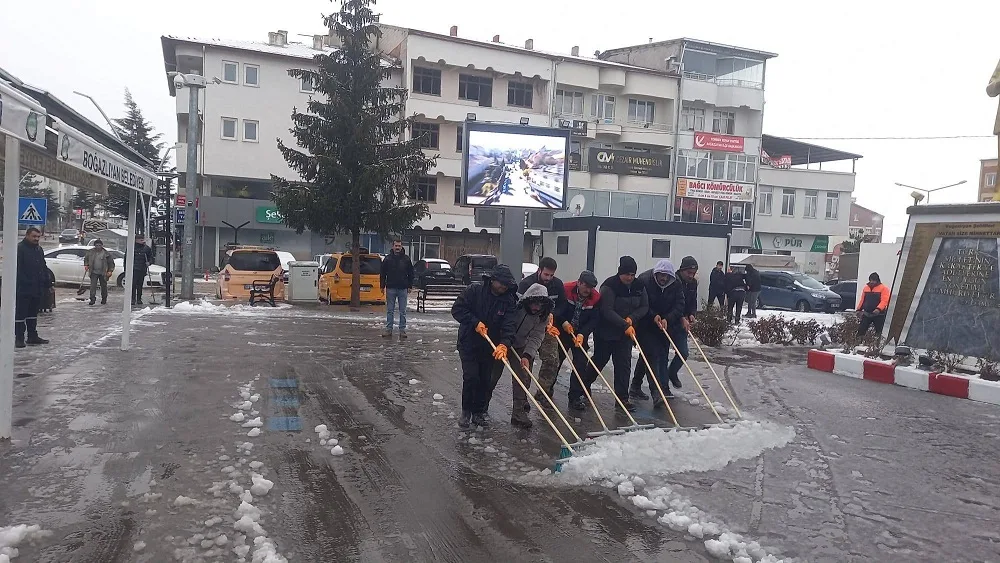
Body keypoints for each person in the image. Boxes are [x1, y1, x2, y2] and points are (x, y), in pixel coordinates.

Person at [451, 264, 518, 429]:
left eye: (506, 284)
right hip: (469, 342)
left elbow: (510, 325)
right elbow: (457, 309)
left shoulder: (508, 300)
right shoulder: (474, 291)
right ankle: (466, 411)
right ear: (492, 280)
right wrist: (475, 322)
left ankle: (479, 412)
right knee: (471, 376)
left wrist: (504, 344)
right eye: (501, 283)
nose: (503, 286)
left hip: (490, 346)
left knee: (485, 380)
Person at [485, 283, 554, 429]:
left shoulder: (543, 316)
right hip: (502, 343)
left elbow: (536, 336)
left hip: (521, 345)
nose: (536, 307)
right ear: (528, 300)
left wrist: (527, 355)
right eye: (534, 303)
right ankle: (481, 408)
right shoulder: (515, 307)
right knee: (491, 376)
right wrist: (503, 342)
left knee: (522, 378)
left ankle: (518, 413)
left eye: (540, 304)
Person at [591, 256, 648, 413]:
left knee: (623, 364)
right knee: (599, 360)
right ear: (620, 272)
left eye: (632, 274)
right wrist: (624, 324)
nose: (629, 278)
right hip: (606, 331)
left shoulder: (639, 286)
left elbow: (644, 306)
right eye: (626, 274)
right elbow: (607, 310)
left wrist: (632, 318)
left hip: (626, 334)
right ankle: (582, 388)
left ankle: (622, 398)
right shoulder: (610, 286)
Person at [630, 259, 685, 407]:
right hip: (645, 323)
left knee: (648, 355)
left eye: (667, 276)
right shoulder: (644, 280)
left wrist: (668, 318)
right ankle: (656, 393)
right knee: (652, 354)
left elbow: (679, 304)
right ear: (656, 273)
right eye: (661, 275)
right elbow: (642, 304)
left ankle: (635, 386)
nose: (664, 279)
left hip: (664, 325)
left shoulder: (676, 283)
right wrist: (653, 315)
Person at [517, 257, 566, 405]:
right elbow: (518, 307)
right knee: (526, 363)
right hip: (527, 329)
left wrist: (553, 315)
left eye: (551, 275)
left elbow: (562, 305)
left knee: (552, 360)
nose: (549, 278)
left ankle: (543, 391)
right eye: (546, 274)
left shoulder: (557, 285)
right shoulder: (526, 284)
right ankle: (523, 397)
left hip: (547, 327)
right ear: (539, 270)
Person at [553, 271, 602, 411]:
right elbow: (557, 309)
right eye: (586, 286)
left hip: (580, 333)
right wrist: (563, 323)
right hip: (563, 330)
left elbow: (594, 320)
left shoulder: (596, 298)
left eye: (591, 287)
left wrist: (583, 334)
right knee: (556, 360)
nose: (588, 290)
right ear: (579, 282)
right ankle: (546, 390)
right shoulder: (565, 289)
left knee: (580, 363)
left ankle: (575, 396)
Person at [665, 256, 700, 390]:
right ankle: (660, 386)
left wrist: (692, 313)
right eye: (689, 273)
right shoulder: (673, 281)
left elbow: (692, 301)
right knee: (659, 355)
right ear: (682, 270)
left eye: (693, 273)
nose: (691, 276)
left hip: (682, 321)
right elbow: (673, 304)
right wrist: (681, 317)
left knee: (683, 353)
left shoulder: (693, 283)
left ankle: (671, 373)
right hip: (668, 320)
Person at [14, 227, 49, 348]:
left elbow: (43, 266)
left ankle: (32, 336)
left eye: (38, 237)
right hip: (23, 288)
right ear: (27, 235)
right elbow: (17, 268)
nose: (36, 239)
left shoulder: (38, 249)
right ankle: (19, 338)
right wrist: (25, 281)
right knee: (20, 314)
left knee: (33, 313)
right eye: (34, 236)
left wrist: (47, 281)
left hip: (36, 287)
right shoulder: (20, 249)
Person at [380, 239, 414, 339]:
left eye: (399, 246)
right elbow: (383, 273)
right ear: (393, 246)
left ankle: (402, 330)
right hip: (390, 288)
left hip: (403, 288)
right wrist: (382, 286)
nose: (397, 248)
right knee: (390, 310)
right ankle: (388, 330)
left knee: (402, 311)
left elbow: (411, 273)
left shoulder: (406, 259)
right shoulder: (387, 259)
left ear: (401, 246)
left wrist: (410, 286)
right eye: (396, 246)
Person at [856, 272, 891, 337]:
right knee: (861, 331)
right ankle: (857, 344)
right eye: (871, 280)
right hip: (867, 314)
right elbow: (862, 300)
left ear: (877, 280)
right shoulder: (866, 288)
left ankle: (879, 345)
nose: (872, 282)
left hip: (879, 315)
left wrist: (878, 309)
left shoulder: (884, 288)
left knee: (880, 332)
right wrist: (858, 309)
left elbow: (885, 300)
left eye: (874, 280)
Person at [84, 239, 115, 306]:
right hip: (93, 272)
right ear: (94, 245)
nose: (98, 247)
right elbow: (86, 259)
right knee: (93, 286)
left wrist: (110, 271)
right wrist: (86, 265)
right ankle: (92, 299)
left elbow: (111, 263)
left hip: (103, 272)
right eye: (96, 245)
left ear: (102, 246)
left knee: (103, 286)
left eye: (99, 245)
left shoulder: (106, 253)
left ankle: (104, 298)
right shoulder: (90, 252)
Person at [131, 234, 155, 305]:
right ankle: (133, 299)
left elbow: (151, 258)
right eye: (141, 240)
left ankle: (139, 299)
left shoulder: (146, 248)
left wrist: (149, 262)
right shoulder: (132, 247)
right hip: (134, 269)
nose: (143, 241)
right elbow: (127, 258)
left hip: (142, 269)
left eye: (143, 239)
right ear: (136, 240)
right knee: (133, 284)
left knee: (140, 285)